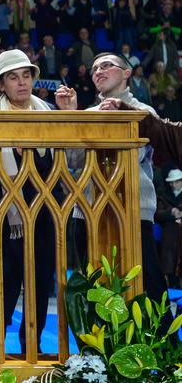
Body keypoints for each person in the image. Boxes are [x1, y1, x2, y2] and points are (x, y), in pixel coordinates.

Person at [60, 52, 174, 337]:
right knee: (93, 289)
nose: (98, 71)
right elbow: (72, 162)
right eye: (95, 68)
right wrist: (70, 117)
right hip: (88, 210)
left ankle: (166, 353)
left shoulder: (145, 113)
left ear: (127, 73)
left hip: (132, 210)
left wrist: (116, 117)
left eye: (107, 65)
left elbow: (133, 158)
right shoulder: (85, 115)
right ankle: (97, 357)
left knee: (148, 284)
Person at [0, 50, 73, 354]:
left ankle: (33, 346)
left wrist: (69, 112)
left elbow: (73, 152)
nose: (22, 83)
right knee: (3, 281)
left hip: (46, 212)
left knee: (41, 281)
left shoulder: (50, 113)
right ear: (1, 84)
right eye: (13, 78)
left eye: (26, 76)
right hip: (6, 213)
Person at [155, 168, 182, 289]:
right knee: (170, 268)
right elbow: (157, 214)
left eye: (176, 182)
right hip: (170, 238)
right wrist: (170, 212)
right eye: (171, 182)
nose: (173, 185)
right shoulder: (164, 196)